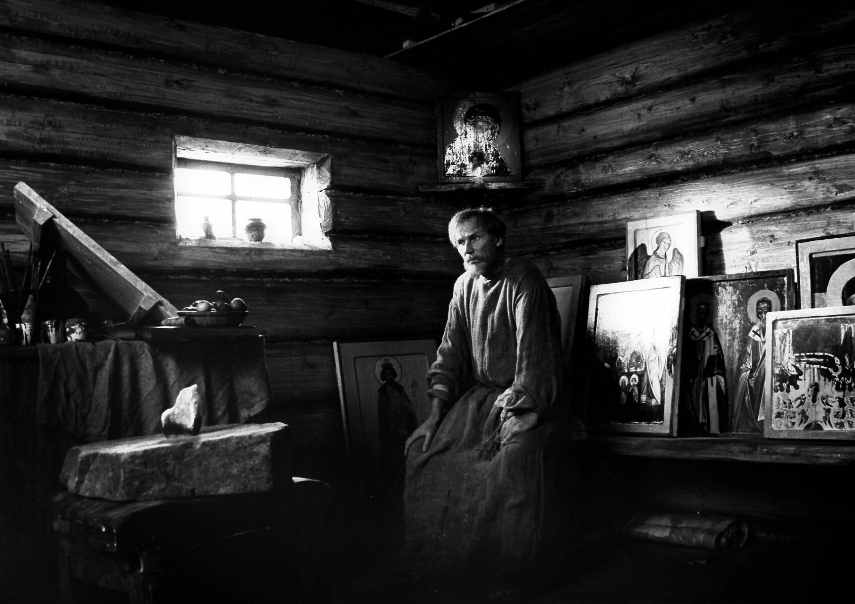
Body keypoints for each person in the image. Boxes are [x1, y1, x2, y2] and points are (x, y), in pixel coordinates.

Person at [402, 207, 564, 590]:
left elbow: (535, 358)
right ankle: (445, 569)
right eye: (459, 242)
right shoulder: (463, 286)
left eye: (474, 238)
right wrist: (434, 417)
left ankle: (508, 574)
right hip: (478, 401)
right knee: (423, 454)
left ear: (498, 238)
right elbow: (449, 354)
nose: (466, 249)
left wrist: (516, 410)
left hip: (526, 395)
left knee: (512, 458)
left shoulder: (524, 281)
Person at [686, 300, 727, 434]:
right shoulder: (691, 334)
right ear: (696, 314)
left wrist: (713, 362)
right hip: (694, 372)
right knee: (693, 397)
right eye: (700, 312)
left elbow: (717, 353)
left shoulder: (711, 333)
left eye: (704, 312)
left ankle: (707, 425)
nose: (702, 315)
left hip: (707, 372)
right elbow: (687, 353)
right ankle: (695, 425)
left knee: (707, 396)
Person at [733, 297, 772, 432]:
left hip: (770, 369)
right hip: (755, 369)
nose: (763, 314)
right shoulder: (754, 330)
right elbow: (748, 353)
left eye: (766, 311)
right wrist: (748, 369)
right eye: (759, 311)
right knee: (745, 379)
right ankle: (753, 423)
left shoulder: (775, 327)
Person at [444, 103, 510, 178]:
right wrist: (464, 171)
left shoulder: (491, 150)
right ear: (468, 127)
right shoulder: (455, 148)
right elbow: (449, 174)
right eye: (480, 128)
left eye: (489, 130)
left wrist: (491, 171)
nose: (484, 134)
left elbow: (503, 174)